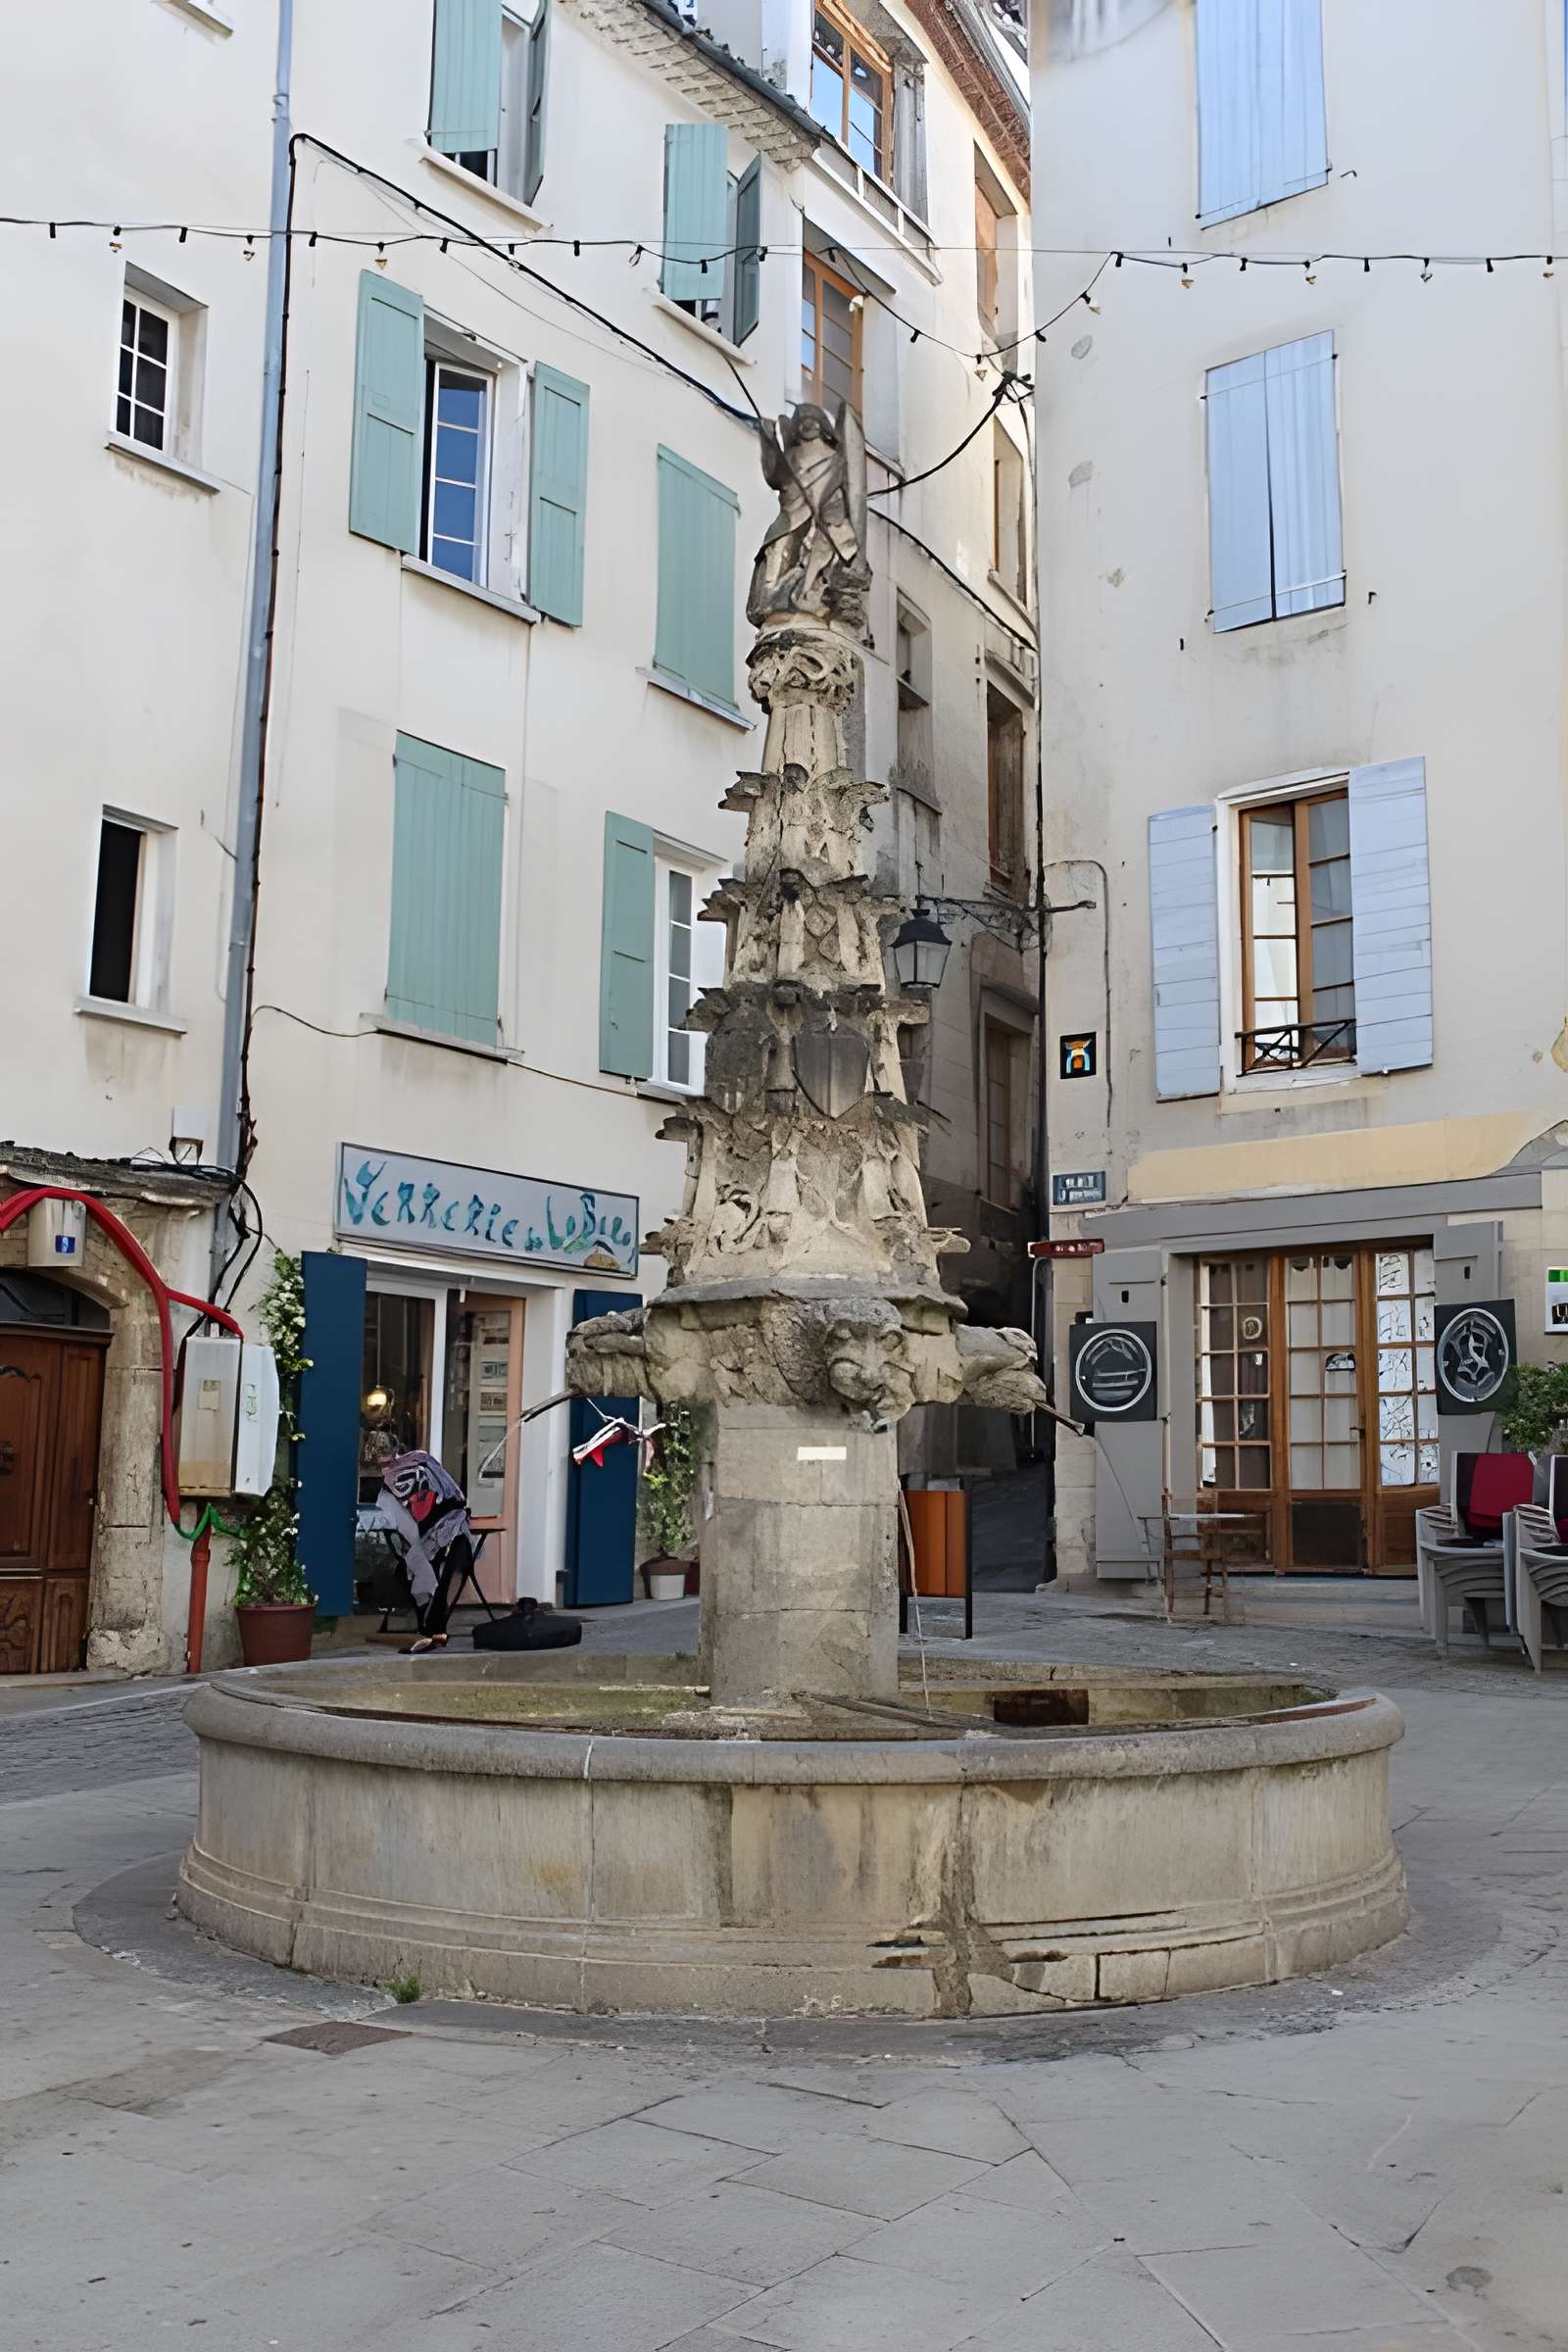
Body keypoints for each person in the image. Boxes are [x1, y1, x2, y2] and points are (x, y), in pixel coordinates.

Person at [368, 1433, 475, 1653]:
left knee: (428, 1577)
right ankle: (433, 1632)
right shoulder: (421, 1460)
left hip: (444, 1528)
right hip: (450, 1525)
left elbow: (403, 1516)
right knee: (429, 1577)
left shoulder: (398, 1475)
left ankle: (430, 1633)